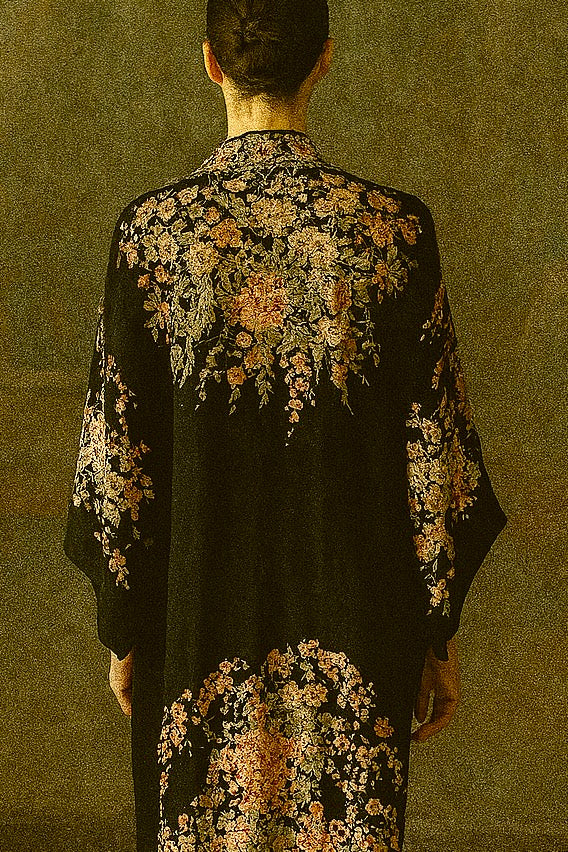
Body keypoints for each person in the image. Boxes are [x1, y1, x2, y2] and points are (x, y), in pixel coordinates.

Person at [63, 1, 507, 849]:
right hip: (356, 628)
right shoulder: (393, 231)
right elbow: (434, 456)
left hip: (193, 627)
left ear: (210, 62)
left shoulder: (152, 236)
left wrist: (125, 629)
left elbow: (116, 465)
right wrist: (435, 631)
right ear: (325, 59)